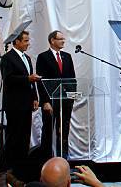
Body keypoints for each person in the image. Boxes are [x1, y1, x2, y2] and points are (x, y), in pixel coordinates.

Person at [0, 30, 40, 165]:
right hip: (14, 104)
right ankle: (10, 165)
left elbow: (32, 80)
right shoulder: (8, 58)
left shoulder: (27, 58)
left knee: (25, 135)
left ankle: (22, 164)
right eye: (26, 41)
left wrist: (35, 97)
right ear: (16, 42)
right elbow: (8, 79)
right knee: (14, 135)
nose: (28, 43)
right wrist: (27, 78)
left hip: (26, 103)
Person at [36, 31, 76, 159]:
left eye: (63, 39)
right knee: (48, 130)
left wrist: (72, 96)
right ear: (52, 40)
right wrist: (45, 101)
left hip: (65, 101)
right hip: (50, 102)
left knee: (63, 130)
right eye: (60, 39)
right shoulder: (43, 57)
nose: (63, 41)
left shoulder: (67, 56)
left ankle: (63, 158)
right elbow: (41, 82)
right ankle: (45, 159)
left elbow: (72, 78)